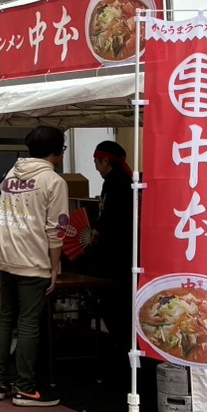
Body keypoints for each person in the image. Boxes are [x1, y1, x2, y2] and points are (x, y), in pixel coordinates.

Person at [0, 126, 69, 408]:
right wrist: (55, 267)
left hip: (5, 257)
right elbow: (57, 229)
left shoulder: (11, 174)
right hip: (33, 261)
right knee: (28, 323)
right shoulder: (53, 181)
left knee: (6, 317)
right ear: (56, 151)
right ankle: (24, 388)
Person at [89, 139, 136, 376]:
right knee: (120, 303)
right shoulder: (123, 180)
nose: (96, 167)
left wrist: (94, 234)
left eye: (96, 162)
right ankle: (124, 347)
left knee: (115, 304)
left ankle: (123, 349)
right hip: (125, 252)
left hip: (117, 253)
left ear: (105, 161)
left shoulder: (115, 183)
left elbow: (109, 218)